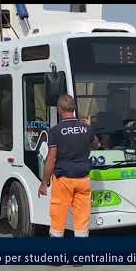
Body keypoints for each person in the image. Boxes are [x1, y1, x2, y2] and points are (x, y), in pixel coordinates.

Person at [38, 95, 99, 238]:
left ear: (59, 110)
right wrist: (89, 128)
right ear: (74, 108)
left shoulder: (55, 131)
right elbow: (96, 145)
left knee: (58, 219)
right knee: (82, 221)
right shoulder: (86, 128)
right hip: (83, 180)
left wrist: (44, 183)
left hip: (63, 180)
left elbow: (51, 160)